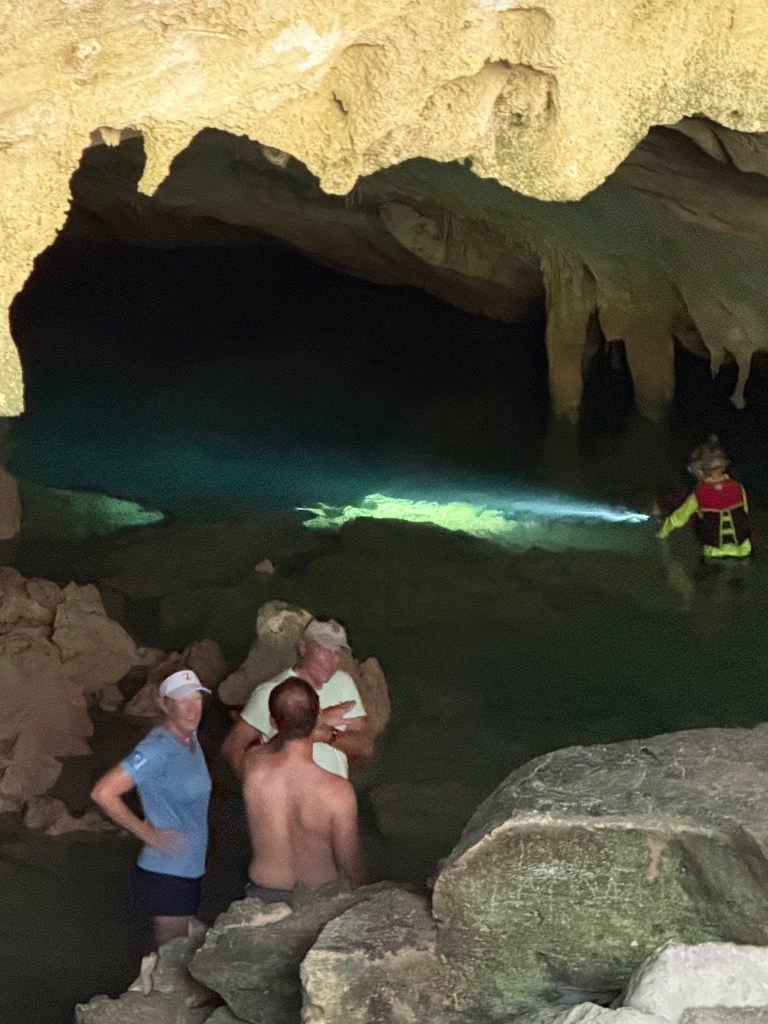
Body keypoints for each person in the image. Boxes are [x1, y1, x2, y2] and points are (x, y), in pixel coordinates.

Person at [91, 669, 212, 949]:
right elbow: (103, 792)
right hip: (167, 873)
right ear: (164, 704)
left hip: (188, 867)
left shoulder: (189, 738)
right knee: (169, 957)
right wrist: (150, 835)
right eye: (182, 700)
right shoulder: (156, 749)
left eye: (197, 698)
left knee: (166, 952)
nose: (192, 709)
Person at [242, 677, 366, 903]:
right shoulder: (337, 791)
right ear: (317, 718)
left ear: (272, 721)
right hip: (317, 900)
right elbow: (351, 869)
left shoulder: (252, 766)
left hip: (263, 893)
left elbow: (268, 746)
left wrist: (294, 723)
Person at [221, 618, 373, 779]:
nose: (331, 659)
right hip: (286, 792)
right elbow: (232, 747)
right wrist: (256, 787)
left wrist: (326, 735)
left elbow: (365, 745)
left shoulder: (343, 682)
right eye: (324, 650)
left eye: (337, 652)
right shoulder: (272, 691)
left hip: (330, 792)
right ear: (303, 648)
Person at [656, 436, 752, 559]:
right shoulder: (738, 487)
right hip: (743, 549)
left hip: (714, 551)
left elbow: (679, 517)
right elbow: (745, 511)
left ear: (703, 470)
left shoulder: (699, 493)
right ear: (724, 466)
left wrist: (663, 531)